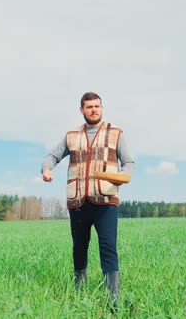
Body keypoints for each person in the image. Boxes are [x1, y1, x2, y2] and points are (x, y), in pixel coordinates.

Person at [41, 92, 135, 306]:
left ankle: (113, 298)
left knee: (108, 247)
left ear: (101, 108)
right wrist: (47, 169)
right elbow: (52, 156)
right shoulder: (72, 136)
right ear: (81, 110)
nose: (94, 110)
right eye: (89, 107)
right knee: (79, 247)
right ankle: (79, 294)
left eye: (97, 106)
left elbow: (128, 162)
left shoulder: (115, 133)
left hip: (106, 201)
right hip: (78, 202)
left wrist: (123, 175)